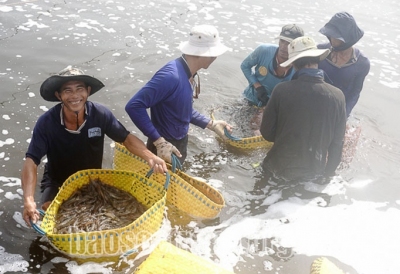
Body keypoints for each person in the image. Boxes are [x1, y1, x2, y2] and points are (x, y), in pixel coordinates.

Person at [22, 66, 168, 226]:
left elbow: (126, 138)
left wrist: (150, 156)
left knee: (111, 218)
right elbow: (32, 161)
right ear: (59, 95)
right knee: (50, 216)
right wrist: (28, 200)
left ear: (88, 91)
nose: (75, 96)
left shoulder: (100, 114)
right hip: (58, 181)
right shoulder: (46, 123)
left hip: (92, 181)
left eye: (80, 89)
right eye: (67, 90)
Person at [125, 25, 232, 165]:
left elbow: (180, 109)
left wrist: (211, 124)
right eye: (213, 54)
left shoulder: (188, 73)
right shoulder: (171, 76)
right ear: (203, 53)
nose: (215, 57)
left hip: (179, 141)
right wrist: (159, 142)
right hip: (165, 146)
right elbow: (134, 106)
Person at [260, 36, 347, 181]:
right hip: (314, 174)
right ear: (317, 60)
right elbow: (337, 144)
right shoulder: (338, 96)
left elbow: (267, 133)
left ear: (294, 64)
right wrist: (327, 175)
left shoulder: (281, 90)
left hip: (277, 169)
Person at [318, 11, 370, 117]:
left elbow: (355, 93)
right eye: (330, 35)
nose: (332, 39)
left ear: (347, 39)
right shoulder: (319, 51)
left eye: (336, 36)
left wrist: (344, 115)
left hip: (339, 108)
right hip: (317, 104)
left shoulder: (362, 63)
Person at [241, 24, 304, 107]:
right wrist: (257, 86)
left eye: (289, 43)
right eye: (282, 41)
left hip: (275, 106)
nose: (283, 47)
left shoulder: (300, 66)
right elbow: (245, 66)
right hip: (251, 97)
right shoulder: (263, 50)